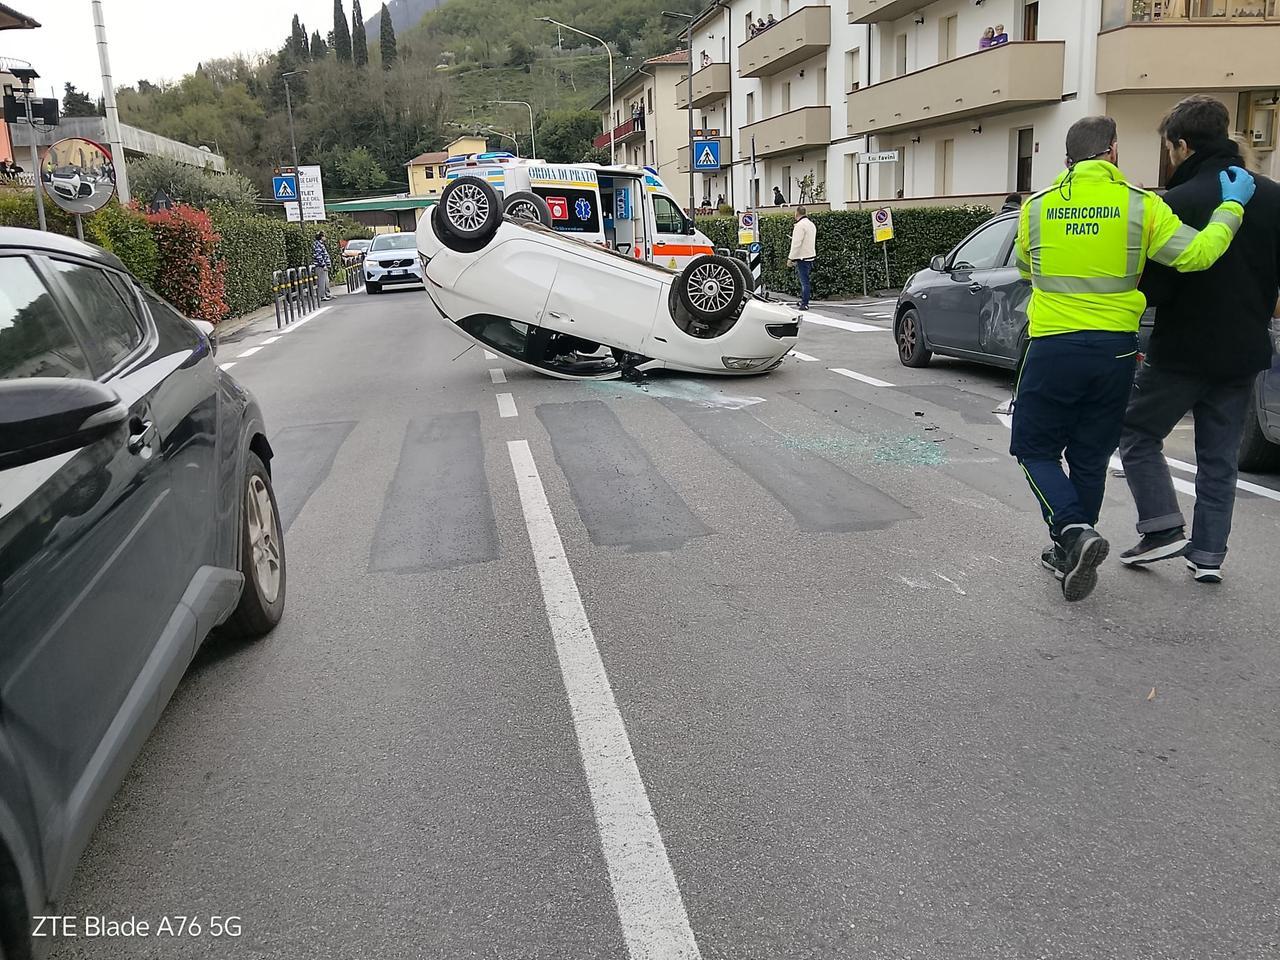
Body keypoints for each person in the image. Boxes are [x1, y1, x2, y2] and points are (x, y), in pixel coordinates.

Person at [1010, 114, 1255, 601]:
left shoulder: (1036, 207)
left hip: (1053, 345)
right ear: (1114, 151)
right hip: (1115, 350)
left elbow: (1024, 268)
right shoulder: (1142, 205)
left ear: (1067, 158)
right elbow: (1198, 255)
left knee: (1033, 449)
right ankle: (1072, 549)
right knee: (1090, 456)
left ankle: (1073, 532)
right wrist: (1231, 206)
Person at [1117, 96, 1280, 583]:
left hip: (1182, 351)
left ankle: (1162, 525)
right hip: (1243, 351)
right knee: (1219, 456)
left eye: (1169, 148)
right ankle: (1208, 554)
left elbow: (1155, 289)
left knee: (1137, 433)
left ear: (1182, 145)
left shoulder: (1176, 203)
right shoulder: (1272, 197)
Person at [787, 205, 816, 311]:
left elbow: (796, 243)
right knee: (805, 280)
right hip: (810, 255)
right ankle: (804, 299)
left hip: (802, 257)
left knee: (804, 281)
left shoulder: (799, 226)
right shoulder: (811, 224)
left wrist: (790, 258)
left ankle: (805, 303)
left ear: (797, 213)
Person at [312, 230, 334, 302]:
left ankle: (327, 294)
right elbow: (318, 256)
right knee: (321, 281)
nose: (325, 237)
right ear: (321, 237)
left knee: (326, 280)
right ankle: (322, 296)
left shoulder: (321, 244)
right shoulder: (317, 244)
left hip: (324, 265)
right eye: (324, 236)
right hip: (320, 266)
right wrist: (323, 264)